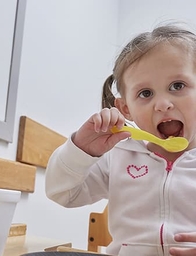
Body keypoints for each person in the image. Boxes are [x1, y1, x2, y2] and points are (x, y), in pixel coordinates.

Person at [45, 23, 196, 256]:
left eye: (177, 86)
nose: (163, 104)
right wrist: (81, 150)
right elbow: (62, 193)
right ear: (126, 109)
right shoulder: (118, 156)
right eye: (145, 93)